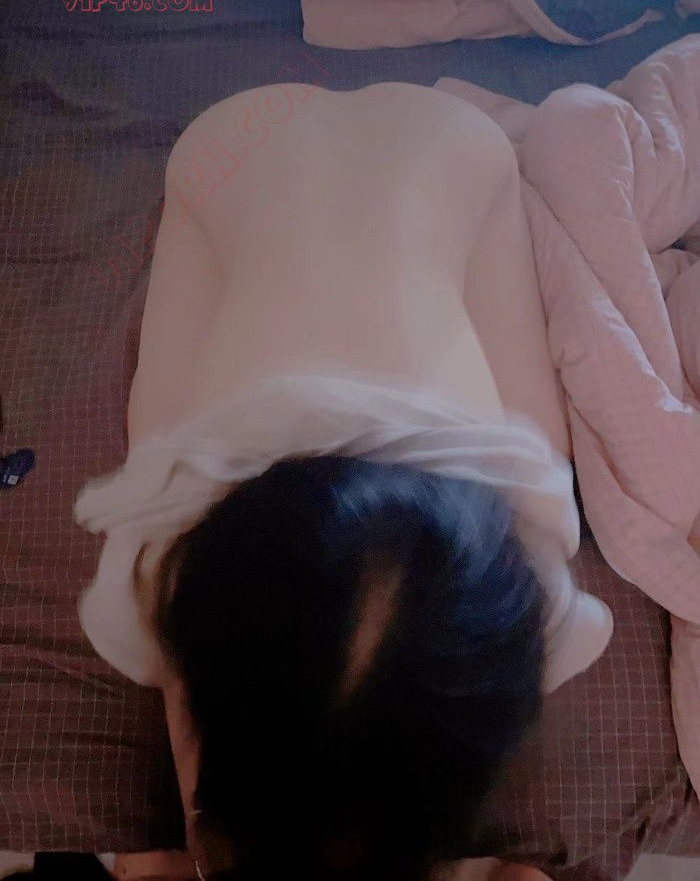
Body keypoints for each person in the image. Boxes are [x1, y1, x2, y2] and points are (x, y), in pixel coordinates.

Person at [75, 82, 613, 880]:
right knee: (156, 433)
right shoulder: (178, 521)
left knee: (545, 459)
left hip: (403, 147)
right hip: (236, 147)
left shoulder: (515, 539)